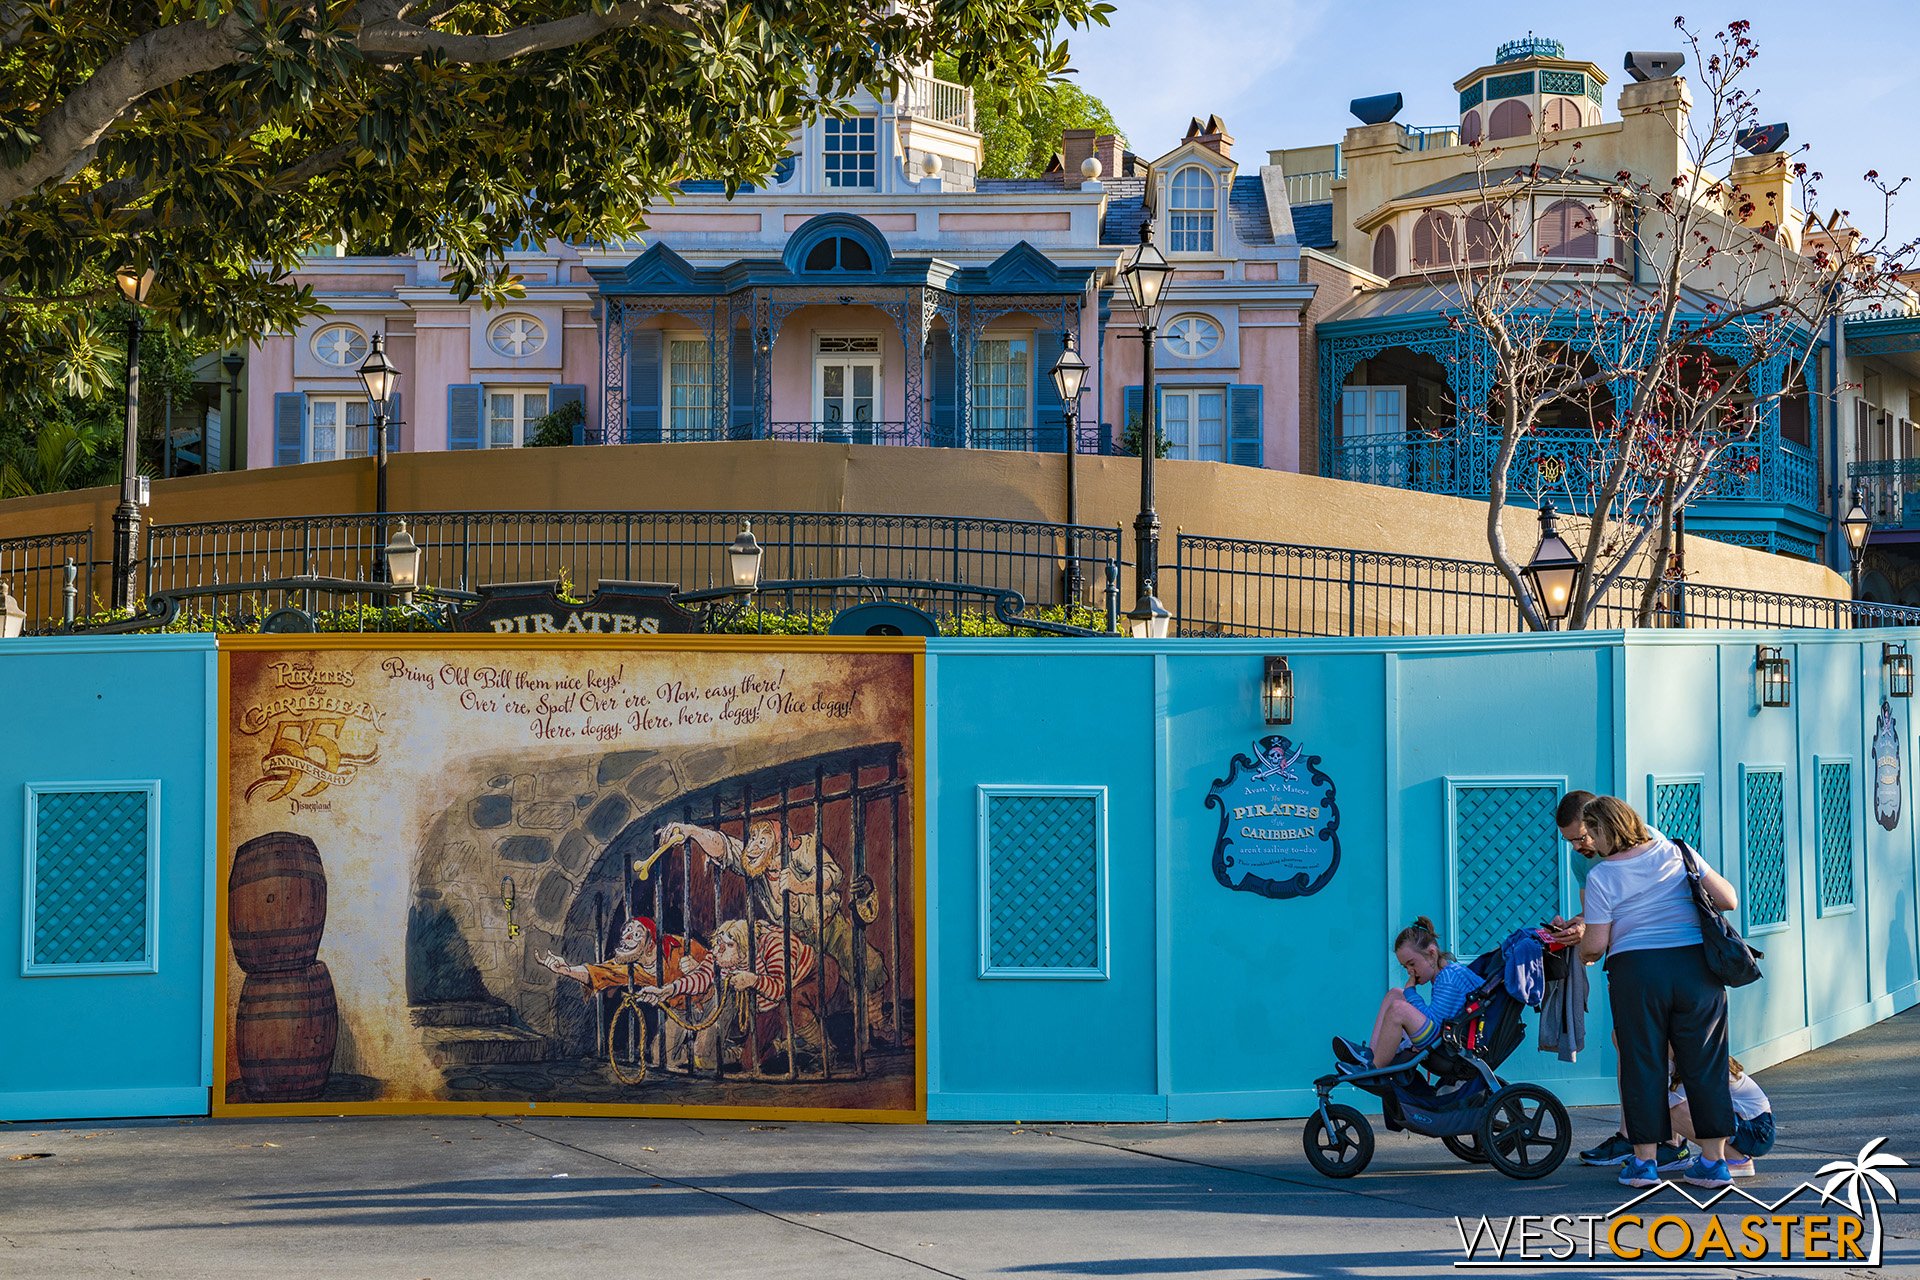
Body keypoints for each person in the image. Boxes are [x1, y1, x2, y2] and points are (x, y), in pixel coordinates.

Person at [1567, 795, 1741, 1190]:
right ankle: (1714, 1163)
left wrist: (1580, 953)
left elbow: (1594, 945)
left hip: (1638, 974)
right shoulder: (1679, 851)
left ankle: (1644, 1163)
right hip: (1697, 970)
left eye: (1591, 832)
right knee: (1705, 1064)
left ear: (1604, 830)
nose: (1589, 842)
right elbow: (1728, 899)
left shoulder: (1602, 877)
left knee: (1642, 1061)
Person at [637, 917, 842, 1073]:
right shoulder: (723, 955)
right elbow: (701, 977)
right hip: (767, 998)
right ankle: (788, 1046)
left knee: (791, 1005)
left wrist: (753, 980)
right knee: (749, 1061)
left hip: (811, 975)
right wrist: (667, 991)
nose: (718, 951)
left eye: (727, 946)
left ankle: (826, 1050)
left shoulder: (775, 944)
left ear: (744, 948)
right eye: (718, 943)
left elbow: (780, 988)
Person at [1335, 916, 1481, 1072]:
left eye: (1412, 964)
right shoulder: (1444, 976)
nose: (1410, 971)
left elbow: (1435, 1022)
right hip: (1444, 1034)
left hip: (1451, 1047)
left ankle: (1374, 1068)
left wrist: (1411, 992)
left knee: (1399, 1009)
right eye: (1405, 967)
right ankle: (1371, 1054)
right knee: (1395, 994)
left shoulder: (1448, 978)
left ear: (1432, 954)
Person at [1669, 1054, 1774, 1178]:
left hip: (1757, 1132)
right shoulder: (1707, 1057)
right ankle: (1672, 1149)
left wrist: (1668, 1062)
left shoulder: (1701, 1066)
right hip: (1756, 1128)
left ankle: (1735, 1160)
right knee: (1680, 1103)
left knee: (1675, 1110)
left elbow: (1666, 1102)